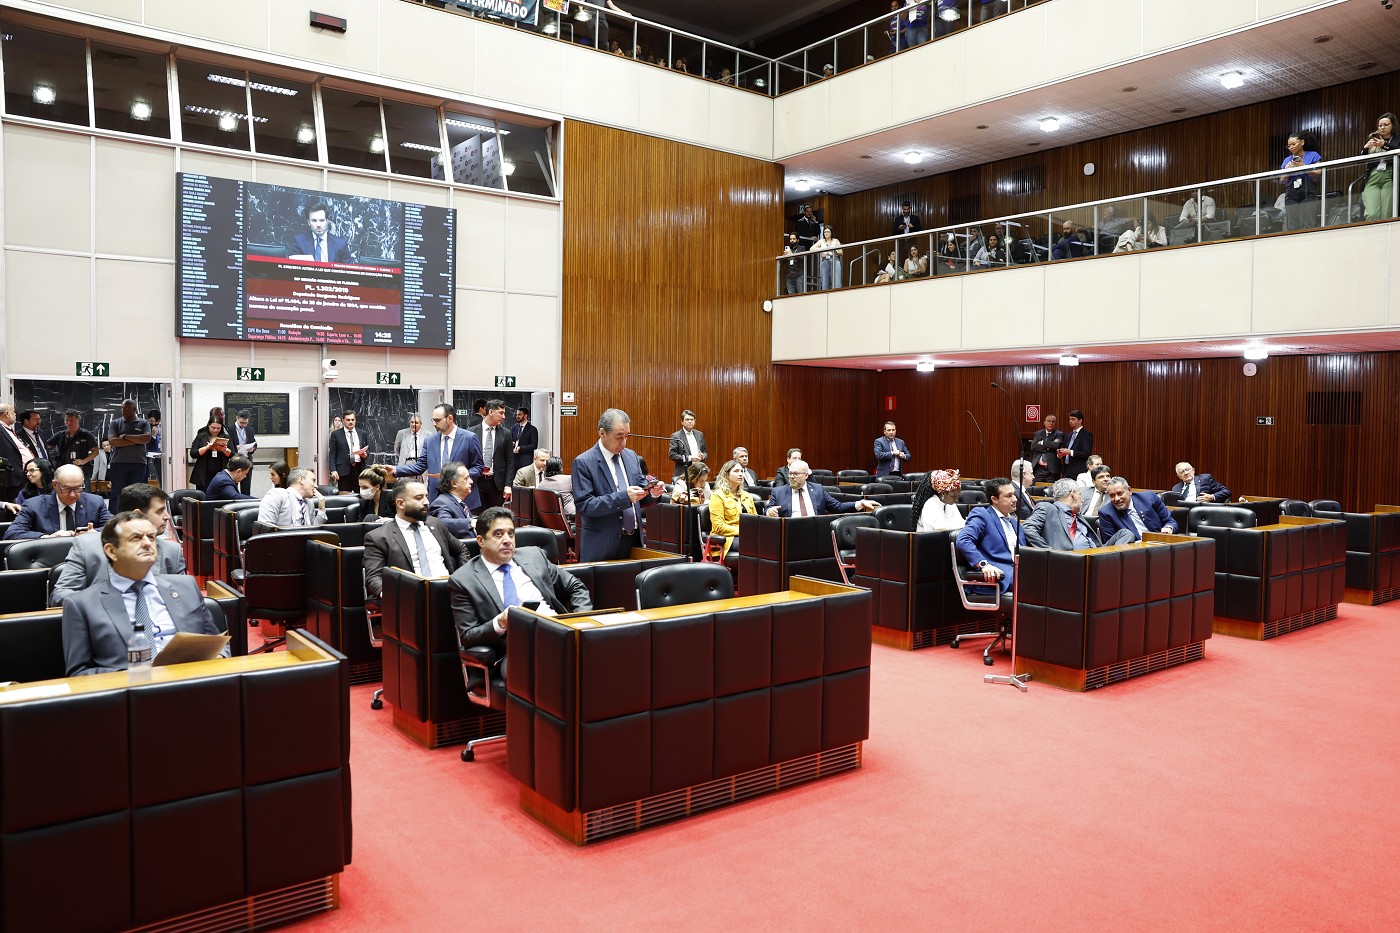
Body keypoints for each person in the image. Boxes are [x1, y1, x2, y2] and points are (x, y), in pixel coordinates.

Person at [61, 511, 225, 677]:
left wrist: (219, 658)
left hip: (194, 684)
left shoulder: (186, 587)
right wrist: (140, 675)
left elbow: (218, 643)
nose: (147, 543)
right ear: (111, 551)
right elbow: (78, 673)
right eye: (136, 538)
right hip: (129, 695)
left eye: (151, 537)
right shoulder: (81, 604)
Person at [449, 507, 591, 678]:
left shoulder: (534, 556)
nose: (507, 540)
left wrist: (580, 622)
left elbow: (575, 587)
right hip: (515, 649)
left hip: (560, 631)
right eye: (498, 534)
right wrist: (500, 623)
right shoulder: (464, 579)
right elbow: (468, 635)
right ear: (481, 540)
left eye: (511, 533)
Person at [51, 482, 186, 606]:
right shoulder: (87, 547)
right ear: (137, 515)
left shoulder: (172, 551)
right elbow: (60, 595)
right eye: (159, 511)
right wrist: (108, 605)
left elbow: (184, 598)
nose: (167, 516)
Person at [572, 408, 668, 562]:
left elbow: (641, 493)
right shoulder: (584, 462)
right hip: (601, 544)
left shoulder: (631, 456)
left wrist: (653, 492)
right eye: (619, 437)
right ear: (602, 433)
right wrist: (624, 497)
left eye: (626, 437)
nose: (623, 443)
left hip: (633, 542)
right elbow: (586, 505)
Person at [363, 479, 470, 599]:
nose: (426, 502)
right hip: (409, 598)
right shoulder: (379, 537)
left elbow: (461, 550)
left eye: (426, 496)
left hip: (448, 592)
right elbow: (373, 578)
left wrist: (463, 579)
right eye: (419, 498)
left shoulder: (436, 524)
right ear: (400, 503)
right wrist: (390, 595)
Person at [396, 402, 485, 504]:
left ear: (450, 418)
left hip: (463, 497)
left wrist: (459, 476)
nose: (434, 424)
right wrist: (395, 470)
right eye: (433, 420)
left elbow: (478, 467)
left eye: (437, 420)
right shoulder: (430, 440)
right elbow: (419, 467)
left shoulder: (469, 438)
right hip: (436, 497)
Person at [4, 463, 113, 539]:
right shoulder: (34, 505)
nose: (73, 494)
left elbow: (117, 527)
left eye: (78, 488)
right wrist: (48, 538)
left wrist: (95, 533)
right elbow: (12, 533)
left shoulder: (95, 502)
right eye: (67, 489)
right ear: (55, 485)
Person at [955, 477, 1024, 594]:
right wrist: (983, 564)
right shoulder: (983, 515)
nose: (1015, 499)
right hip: (1000, 577)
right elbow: (963, 540)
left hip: (1021, 574)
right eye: (1009, 496)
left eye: (1014, 495)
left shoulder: (1015, 523)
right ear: (994, 499)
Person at [1024, 478, 1134, 550]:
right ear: (1073, 495)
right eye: (1080, 494)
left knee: (1126, 533)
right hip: (1070, 558)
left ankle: (1109, 562)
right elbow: (1027, 528)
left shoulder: (1078, 516)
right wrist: (1048, 552)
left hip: (1096, 552)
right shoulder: (1048, 508)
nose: (1082, 500)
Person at [765, 460, 876, 516]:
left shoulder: (818, 489)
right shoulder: (778, 491)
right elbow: (767, 509)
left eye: (795, 474)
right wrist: (769, 511)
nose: (791, 477)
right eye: (790, 474)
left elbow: (838, 507)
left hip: (815, 532)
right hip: (790, 533)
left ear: (806, 475)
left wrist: (860, 503)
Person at [1097, 477, 1179, 542]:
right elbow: (1111, 544)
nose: (1117, 499)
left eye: (1120, 493)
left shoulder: (1149, 498)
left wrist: (1169, 528)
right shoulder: (1106, 513)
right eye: (1112, 496)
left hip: (1159, 544)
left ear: (1129, 490)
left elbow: (1170, 521)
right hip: (1133, 553)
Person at [707, 459, 758, 560]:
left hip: (747, 535)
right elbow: (719, 527)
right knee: (753, 545)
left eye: (741, 471)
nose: (740, 474)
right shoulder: (718, 496)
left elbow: (756, 520)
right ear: (726, 475)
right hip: (728, 539)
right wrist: (743, 531)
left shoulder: (747, 496)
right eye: (736, 471)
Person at [473, 399, 513, 509]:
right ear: (490, 412)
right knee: (478, 518)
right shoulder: (472, 432)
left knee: (494, 518)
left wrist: (508, 485)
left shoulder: (506, 434)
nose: (503, 417)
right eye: (501, 413)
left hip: (497, 484)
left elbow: (510, 461)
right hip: (477, 482)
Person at [257, 466, 326, 527]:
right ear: (301, 480)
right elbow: (265, 526)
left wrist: (322, 509)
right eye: (313, 480)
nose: (316, 486)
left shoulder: (309, 503)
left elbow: (314, 531)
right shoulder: (277, 495)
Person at [288, 200, 354, 262]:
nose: (318, 225)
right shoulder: (299, 241)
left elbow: (349, 271)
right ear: (308, 222)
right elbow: (294, 268)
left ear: (327, 221)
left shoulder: (340, 244)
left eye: (322, 220)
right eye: (314, 220)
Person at [1361, 113, 1396, 221]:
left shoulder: (1397, 139)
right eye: (1380, 125)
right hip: (1373, 175)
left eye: (1386, 125)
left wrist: (1384, 144)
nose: (1382, 127)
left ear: (1392, 126)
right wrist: (1366, 148)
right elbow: (1361, 160)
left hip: (1390, 175)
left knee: (1386, 212)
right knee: (1371, 214)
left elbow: (1397, 150)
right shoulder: (1373, 139)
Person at [429, 460, 476, 537]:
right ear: (454, 483)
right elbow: (442, 522)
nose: (471, 481)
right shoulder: (441, 502)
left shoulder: (459, 502)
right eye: (466, 478)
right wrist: (470, 522)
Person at [328, 409, 369, 494]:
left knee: (361, 494)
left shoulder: (362, 433)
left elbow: (368, 449)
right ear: (343, 420)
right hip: (343, 470)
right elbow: (332, 453)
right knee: (344, 495)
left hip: (359, 469)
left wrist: (365, 455)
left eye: (353, 420)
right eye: (348, 420)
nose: (351, 422)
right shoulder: (336, 434)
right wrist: (333, 470)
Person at [187, 418, 230, 492]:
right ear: (208, 426)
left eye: (218, 428)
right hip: (203, 474)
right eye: (213, 428)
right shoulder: (201, 436)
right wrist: (207, 447)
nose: (216, 430)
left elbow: (233, 455)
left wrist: (225, 450)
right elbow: (193, 453)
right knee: (203, 496)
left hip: (220, 472)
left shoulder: (226, 437)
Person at [667, 409, 708, 478]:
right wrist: (689, 458)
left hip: (699, 472)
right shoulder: (676, 436)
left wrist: (703, 456)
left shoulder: (700, 434)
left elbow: (705, 452)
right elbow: (672, 455)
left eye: (692, 419)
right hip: (683, 473)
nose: (690, 421)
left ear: (694, 421)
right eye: (687, 419)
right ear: (682, 422)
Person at [1057, 409, 1093, 479]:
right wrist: (1060, 455)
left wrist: (1070, 452)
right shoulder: (1068, 435)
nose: (1070, 421)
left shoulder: (1086, 435)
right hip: (1066, 471)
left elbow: (1086, 453)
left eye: (1073, 419)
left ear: (1080, 421)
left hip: (1078, 471)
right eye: (1069, 419)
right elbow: (1066, 451)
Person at [1028, 413, 1063, 482]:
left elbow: (1056, 446)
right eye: (1049, 421)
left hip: (1052, 469)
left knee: (1051, 490)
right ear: (1044, 422)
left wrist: (1042, 443)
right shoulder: (1038, 433)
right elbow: (1033, 447)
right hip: (1038, 469)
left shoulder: (1059, 434)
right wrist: (1049, 447)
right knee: (1036, 489)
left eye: (1053, 421)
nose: (1051, 423)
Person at [230, 409, 258, 494]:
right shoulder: (229, 429)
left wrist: (252, 448)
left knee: (246, 487)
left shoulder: (250, 429)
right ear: (237, 418)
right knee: (233, 487)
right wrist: (236, 447)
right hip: (235, 460)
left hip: (247, 460)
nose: (244, 425)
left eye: (246, 423)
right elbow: (227, 445)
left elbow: (254, 443)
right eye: (242, 423)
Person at [813, 224, 843, 290]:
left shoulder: (836, 240)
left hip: (834, 260)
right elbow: (812, 249)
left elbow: (841, 252)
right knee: (824, 282)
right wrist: (822, 250)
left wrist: (834, 251)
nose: (826, 233)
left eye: (828, 232)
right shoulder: (821, 241)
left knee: (836, 281)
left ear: (831, 233)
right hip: (824, 261)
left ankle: (837, 295)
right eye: (825, 232)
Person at [511, 407, 539, 473]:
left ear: (525, 416)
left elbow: (534, 445)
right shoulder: (514, 427)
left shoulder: (532, 429)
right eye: (517, 415)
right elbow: (512, 440)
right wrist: (512, 444)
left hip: (525, 461)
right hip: (514, 460)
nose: (517, 416)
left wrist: (520, 448)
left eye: (519, 415)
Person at [145, 408, 162, 481]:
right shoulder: (148, 428)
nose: (150, 423)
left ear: (158, 421)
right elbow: (147, 445)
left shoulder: (164, 428)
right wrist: (153, 436)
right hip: (153, 457)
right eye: (150, 421)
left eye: (152, 421)